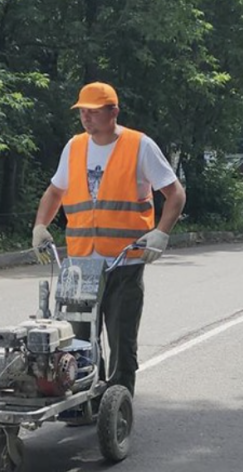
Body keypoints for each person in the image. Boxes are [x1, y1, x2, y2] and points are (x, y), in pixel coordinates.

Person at [32, 81, 186, 397]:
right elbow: (55, 192)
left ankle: (118, 404)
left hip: (124, 262)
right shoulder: (74, 147)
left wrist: (161, 233)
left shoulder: (139, 146)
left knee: (121, 340)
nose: (86, 117)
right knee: (76, 342)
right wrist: (40, 226)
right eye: (82, 112)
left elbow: (175, 194)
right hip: (80, 265)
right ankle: (83, 401)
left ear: (113, 111)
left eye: (93, 111)